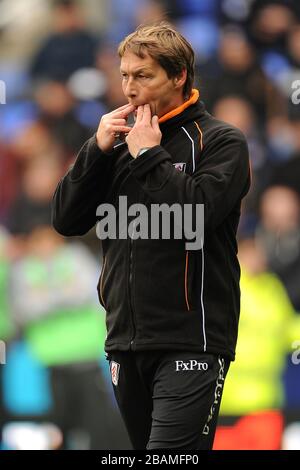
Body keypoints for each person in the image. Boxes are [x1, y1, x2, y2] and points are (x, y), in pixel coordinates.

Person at [52, 22, 251, 450]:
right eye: (124, 75)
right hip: (124, 340)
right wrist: (95, 151)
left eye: (143, 76)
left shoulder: (220, 141)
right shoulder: (117, 145)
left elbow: (195, 216)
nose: (129, 88)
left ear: (179, 76)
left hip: (191, 341)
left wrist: (149, 155)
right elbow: (66, 221)